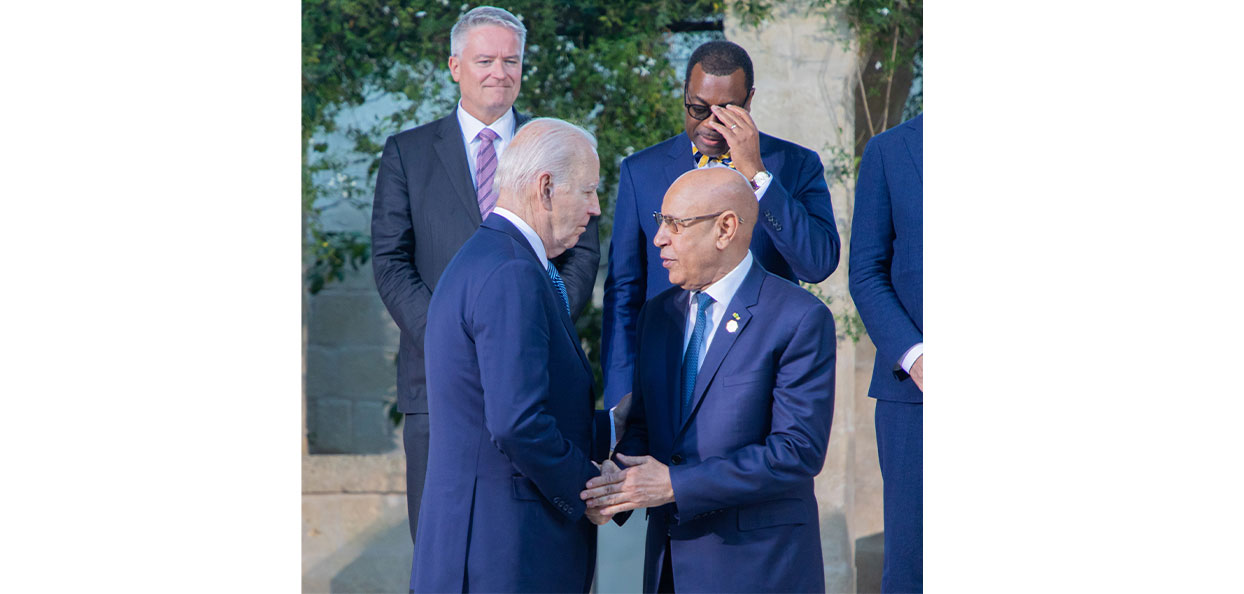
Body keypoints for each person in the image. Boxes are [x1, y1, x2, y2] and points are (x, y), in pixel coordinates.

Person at [370, 5, 600, 555]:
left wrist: (532, 327)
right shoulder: (407, 153)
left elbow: (584, 254)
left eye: (511, 60)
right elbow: (391, 261)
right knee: (444, 550)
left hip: (536, 382)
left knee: (536, 555)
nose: (500, 71)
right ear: (455, 66)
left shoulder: (556, 145)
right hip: (438, 386)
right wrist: (455, 340)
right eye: (485, 60)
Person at [582, 168, 837, 593]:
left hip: (757, 570)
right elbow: (644, 426)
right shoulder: (658, 315)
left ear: (725, 228)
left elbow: (796, 452)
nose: (658, 238)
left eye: (675, 224)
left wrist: (675, 485)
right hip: (668, 569)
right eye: (660, 221)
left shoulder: (799, 318)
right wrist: (616, 486)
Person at [412, 118, 611, 593]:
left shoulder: (487, 256)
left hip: (483, 548)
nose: (595, 207)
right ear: (546, 188)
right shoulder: (512, 272)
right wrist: (588, 488)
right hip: (505, 555)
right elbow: (517, 423)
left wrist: (613, 427)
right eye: (587, 191)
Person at [601, 40, 840, 410]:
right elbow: (623, 294)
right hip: (663, 380)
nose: (710, 124)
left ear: (749, 100)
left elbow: (817, 264)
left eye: (726, 111)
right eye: (698, 109)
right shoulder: (641, 171)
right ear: (684, 93)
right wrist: (621, 401)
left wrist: (758, 175)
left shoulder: (795, 165)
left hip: (756, 383)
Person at [848, 113, 923, 593]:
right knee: (915, 566)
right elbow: (866, 272)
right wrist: (916, 357)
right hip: (916, 400)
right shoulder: (889, 151)